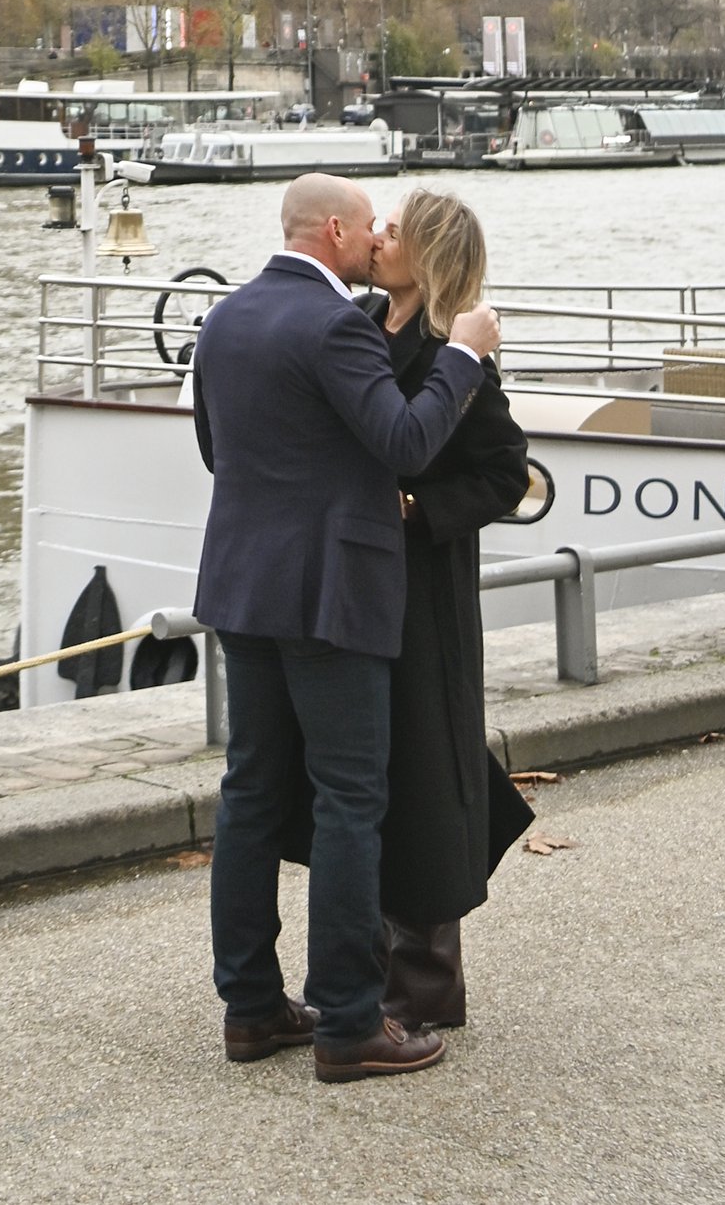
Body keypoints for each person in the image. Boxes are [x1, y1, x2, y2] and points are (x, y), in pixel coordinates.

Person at [190, 171, 500, 1084]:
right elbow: (404, 443)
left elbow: (216, 450)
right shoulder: (338, 325)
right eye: (370, 227)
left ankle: (251, 1009)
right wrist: (464, 357)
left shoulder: (225, 319)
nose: (376, 241)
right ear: (334, 230)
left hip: (242, 588)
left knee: (250, 793)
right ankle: (350, 1022)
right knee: (349, 801)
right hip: (331, 598)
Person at [368, 189, 534, 1033]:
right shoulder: (359, 325)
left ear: (426, 257)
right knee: (364, 774)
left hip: (425, 595)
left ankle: (425, 989)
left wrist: (420, 509)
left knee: (428, 772)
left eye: (394, 231)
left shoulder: (454, 357)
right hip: (360, 586)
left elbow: (506, 473)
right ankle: (364, 974)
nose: (376, 236)